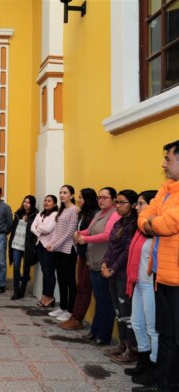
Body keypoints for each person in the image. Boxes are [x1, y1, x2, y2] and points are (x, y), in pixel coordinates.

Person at [137, 140, 179, 392]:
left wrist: (152, 222)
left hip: (177, 277)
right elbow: (144, 219)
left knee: (174, 337)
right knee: (165, 333)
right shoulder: (165, 190)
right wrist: (152, 221)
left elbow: (168, 224)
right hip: (161, 273)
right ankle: (161, 382)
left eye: (168, 159)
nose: (163, 164)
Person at [76, 187, 119, 346]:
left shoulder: (114, 215)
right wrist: (80, 234)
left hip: (104, 262)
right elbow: (90, 230)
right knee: (98, 298)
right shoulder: (98, 214)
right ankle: (95, 331)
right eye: (99, 197)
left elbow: (108, 235)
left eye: (105, 197)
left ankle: (104, 335)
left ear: (113, 200)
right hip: (92, 260)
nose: (101, 200)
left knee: (104, 300)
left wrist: (85, 240)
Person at [102, 189, 139, 364]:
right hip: (111, 271)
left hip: (122, 274)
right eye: (116, 202)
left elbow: (127, 251)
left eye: (121, 202)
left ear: (132, 205)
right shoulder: (119, 222)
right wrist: (104, 263)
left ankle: (132, 349)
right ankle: (122, 344)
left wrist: (113, 269)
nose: (117, 205)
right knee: (118, 311)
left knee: (127, 313)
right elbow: (111, 246)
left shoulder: (133, 225)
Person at [125, 190, 157, 387]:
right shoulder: (139, 230)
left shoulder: (156, 231)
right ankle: (143, 360)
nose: (137, 207)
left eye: (141, 204)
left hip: (150, 284)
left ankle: (155, 366)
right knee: (137, 323)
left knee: (152, 328)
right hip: (137, 282)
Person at [59, 188, 99, 330]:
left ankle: (77, 317)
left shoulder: (94, 214)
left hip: (89, 254)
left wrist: (79, 236)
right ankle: (75, 316)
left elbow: (93, 233)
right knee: (80, 286)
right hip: (81, 253)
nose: (79, 200)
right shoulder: (83, 213)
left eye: (81, 198)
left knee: (84, 287)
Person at [47, 185, 79, 322]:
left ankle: (70, 310)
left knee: (70, 280)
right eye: (60, 192)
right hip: (58, 250)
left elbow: (70, 232)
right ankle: (63, 307)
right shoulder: (62, 210)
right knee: (61, 279)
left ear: (72, 195)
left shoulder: (74, 210)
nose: (62, 195)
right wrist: (52, 243)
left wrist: (55, 245)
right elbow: (58, 230)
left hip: (68, 249)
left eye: (65, 193)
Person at [8, 195, 39, 300]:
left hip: (27, 246)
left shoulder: (35, 215)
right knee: (16, 267)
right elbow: (13, 228)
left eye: (28, 202)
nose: (26, 204)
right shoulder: (18, 213)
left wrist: (33, 246)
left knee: (26, 269)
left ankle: (23, 289)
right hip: (16, 244)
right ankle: (16, 291)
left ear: (32, 204)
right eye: (25, 201)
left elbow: (36, 232)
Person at [30, 195, 58, 307]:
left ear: (55, 204)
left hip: (49, 246)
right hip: (40, 245)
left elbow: (48, 229)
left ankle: (49, 297)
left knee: (49, 272)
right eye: (45, 200)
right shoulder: (40, 213)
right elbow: (32, 227)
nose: (46, 202)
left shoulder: (55, 214)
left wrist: (39, 228)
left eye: (49, 201)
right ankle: (44, 296)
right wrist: (40, 230)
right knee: (44, 271)